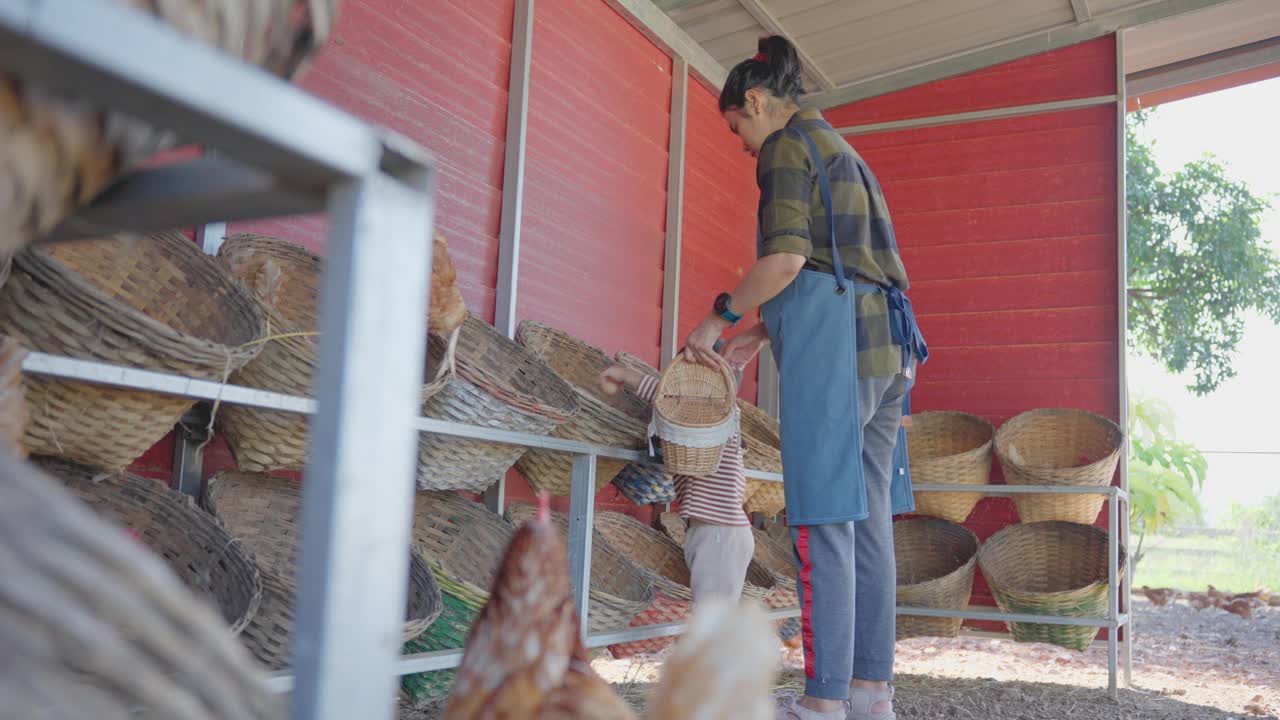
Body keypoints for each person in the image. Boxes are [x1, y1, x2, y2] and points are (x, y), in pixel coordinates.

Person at [681, 35, 928, 720]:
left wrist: (719, 318)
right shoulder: (842, 151)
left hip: (840, 356)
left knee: (822, 523)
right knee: (869, 519)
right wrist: (765, 332)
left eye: (738, 127)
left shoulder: (786, 150)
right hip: (889, 353)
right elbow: (842, 268)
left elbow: (787, 259)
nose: (742, 146)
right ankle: (870, 695)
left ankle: (823, 703)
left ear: (756, 101)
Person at [597, 360, 755, 603]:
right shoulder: (712, 424)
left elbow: (665, 396)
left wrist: (625, 374)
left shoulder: (718, 416)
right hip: (714, 533)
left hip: (719, 534)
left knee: (711, 623)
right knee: (713, 620)